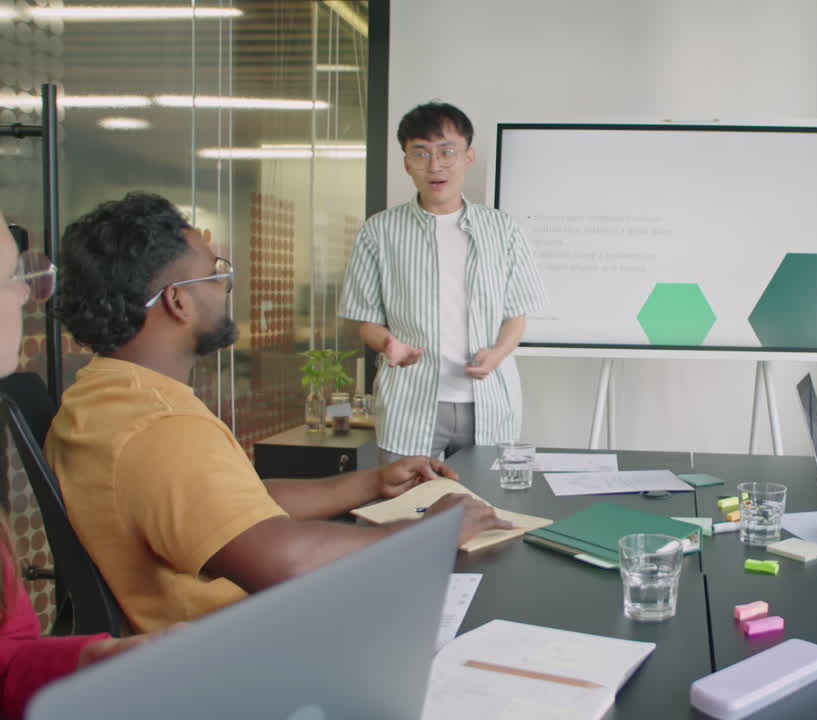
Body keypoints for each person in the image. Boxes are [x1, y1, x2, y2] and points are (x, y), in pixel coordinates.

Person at [44, 193, 511, 634]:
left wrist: (370, 482)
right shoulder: (162, 427)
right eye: (214, 274)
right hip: (233, 655)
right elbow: (285, 562)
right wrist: (433, 533)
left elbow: (233, 507)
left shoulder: (99, 397)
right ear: (178, 301)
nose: (226, 287)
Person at [0, 217, 155, 718]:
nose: (25, 296)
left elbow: (7, 658)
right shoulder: (154, 421)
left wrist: (92, 660)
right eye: (9, 277)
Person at [340, 101, 547, 462]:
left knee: (487, 510)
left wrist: (497, 354)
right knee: (406, 512)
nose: (434, 165)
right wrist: (390, 344)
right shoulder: (379, 231)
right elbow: (365, 319)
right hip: (411, 404)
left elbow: (517, 313)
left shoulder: (502, 229)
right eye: (421, 153)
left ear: (468, 157)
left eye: (446, 151)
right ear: (407, 162)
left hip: (490, 404)